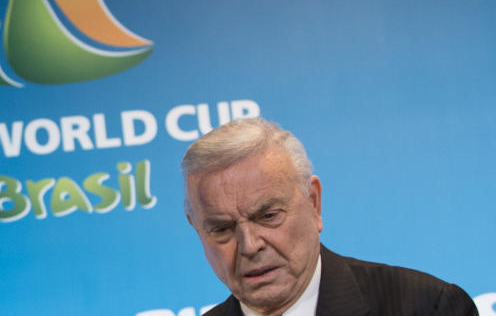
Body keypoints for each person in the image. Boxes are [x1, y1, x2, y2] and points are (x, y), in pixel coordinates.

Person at [182, 117, 477, 316]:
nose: (249, 245)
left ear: (314, 203)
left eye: (268, 215)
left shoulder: (427, 307)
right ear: (196, 229)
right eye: (221, 228)